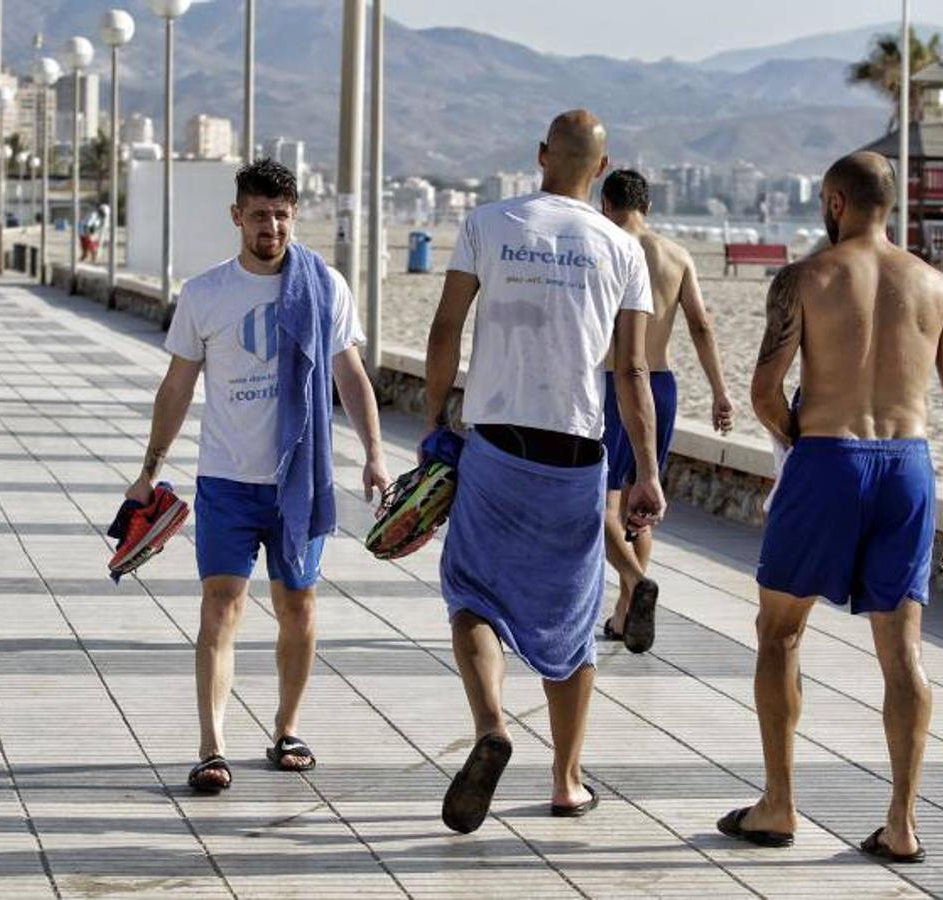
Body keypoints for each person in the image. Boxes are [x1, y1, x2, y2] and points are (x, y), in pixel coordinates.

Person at [716, 152, 943, 861]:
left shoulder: (803, 279)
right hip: (907, 465)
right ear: (892, 205)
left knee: (779, 633)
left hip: (827, 458)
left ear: (833, 202)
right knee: (901, 647)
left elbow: (762, 390)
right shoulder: (936, 287)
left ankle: (778, 805)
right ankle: (901, 824)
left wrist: (800, 445)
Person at [424, 110, 666, 833]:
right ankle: (565, 781)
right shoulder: (623, 249)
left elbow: (445, 327)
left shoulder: (488, 222)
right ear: (599, 167)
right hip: (575, 457)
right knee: (572, 623)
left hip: (495, 443)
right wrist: (648, 470)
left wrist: (434, 417)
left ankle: (492, 725)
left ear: (539, 157)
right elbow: (630, 370)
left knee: (470, 592)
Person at [125, 158, 390, 793]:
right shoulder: (206, 292)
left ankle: (286, 728)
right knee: (221, 604)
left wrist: (375, 454)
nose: (271, 225)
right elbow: (177, 386)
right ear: (236, 215)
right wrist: (149, 469)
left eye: (281, 215)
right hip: (226, 479)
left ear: (293, 216)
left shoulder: (324, 286)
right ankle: (211, 745)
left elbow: (349, 375)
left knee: (297, 605)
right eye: (260, 213)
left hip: (299, 478)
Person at [598, 168, 734, 653]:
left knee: (606, 504)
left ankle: (634, 585)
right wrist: (720, 390)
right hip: (663, 384)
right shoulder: (676, 255)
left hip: (615, 382)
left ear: (604, 203)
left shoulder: (605, 247)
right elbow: (700, 324)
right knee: (642, 508)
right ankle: (622, 611)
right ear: (648, 208)